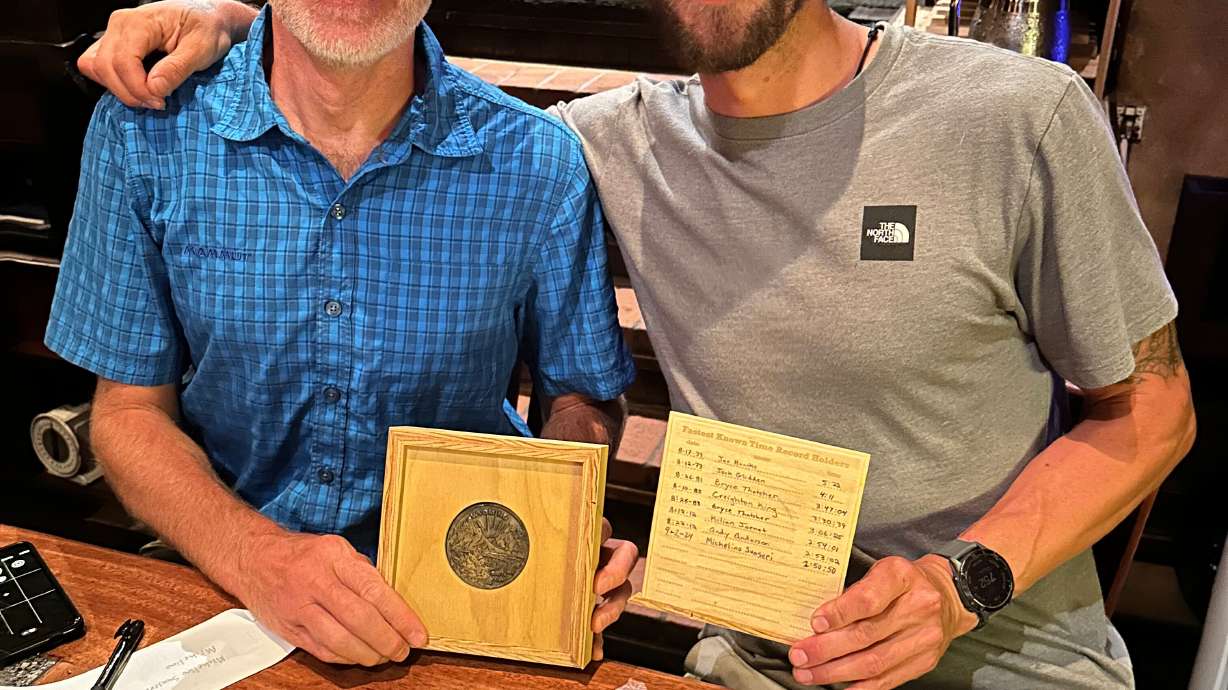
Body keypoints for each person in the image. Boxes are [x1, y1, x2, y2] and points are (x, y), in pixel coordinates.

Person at [80, 0, 1197, 687]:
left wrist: (963, 586)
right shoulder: (601, 143)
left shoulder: (1018, 116)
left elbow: (1154, 409)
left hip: (1006, 658)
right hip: (746, 661)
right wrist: (235, 19)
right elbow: (355, 67)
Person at [46, 0, 642, 669]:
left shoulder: (538, 162)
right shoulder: (147, 134)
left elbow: (581, 397)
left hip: (458, 605)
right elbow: (128, 413)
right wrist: (255, 555)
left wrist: (562, 530)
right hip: (223, 580)